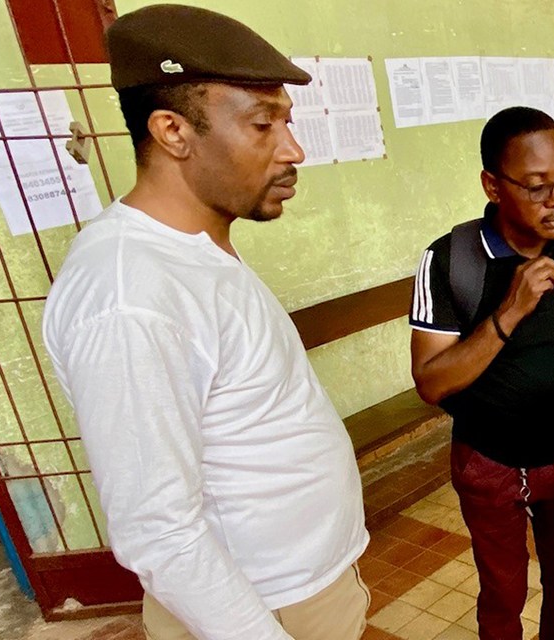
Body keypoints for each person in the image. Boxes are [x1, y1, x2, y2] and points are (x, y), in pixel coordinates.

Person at [41, 6, 367, 640]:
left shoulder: (190, 250)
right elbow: (158, 531)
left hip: (302, 586)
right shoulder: (130, 295)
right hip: (258, 612)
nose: (292, 149)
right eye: (263, 126)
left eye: (287, 123)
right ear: (172, 132)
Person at [407, 107, 554, 640]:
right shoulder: (453, 260)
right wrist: (511, 310)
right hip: (490, 463)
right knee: (504, 595)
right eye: (538, 186)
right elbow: (431, 383)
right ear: (493, 186)